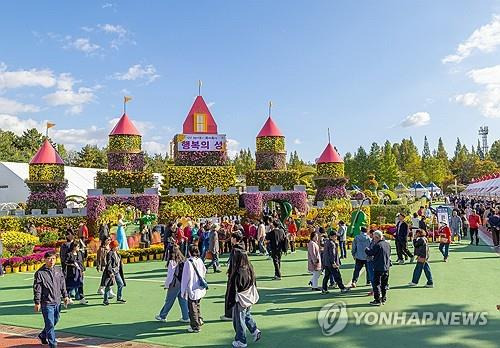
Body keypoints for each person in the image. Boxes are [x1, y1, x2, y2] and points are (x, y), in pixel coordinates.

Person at [33, 251, 71, 347]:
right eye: (49, 259)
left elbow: (62, 284)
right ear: (45, 259)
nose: (51, 261)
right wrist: (37, 302)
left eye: (53, 258)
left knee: (55, 320)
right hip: (46, 302)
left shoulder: (58, 270)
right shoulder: (40, 273)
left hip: (57, 301)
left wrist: (65, 296)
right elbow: (37, 289)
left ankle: (42, 335)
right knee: (49, 323)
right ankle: (53, 344)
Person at [226, 246, 262, 347]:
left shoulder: (238, 272)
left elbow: (233, 289)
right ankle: (255, 331)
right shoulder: (249, 267)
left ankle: (241, 341)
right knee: (247, 315)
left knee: (239, 320)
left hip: (240, 299)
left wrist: (230, 302)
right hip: (249, 296)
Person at [155, 245, 190, 323]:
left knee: (169, 300)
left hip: (175, 283)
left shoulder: (172, 261)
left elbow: (170, 276)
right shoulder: (183, 260)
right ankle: (186, 317)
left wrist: (166, 285)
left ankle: (162, 316)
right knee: (183, 300)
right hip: (183, 282)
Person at [181, 245, 207, 333]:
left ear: (189, 252)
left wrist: (183, 290)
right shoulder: (199, 260)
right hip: (199, 287)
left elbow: (185, 278)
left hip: (191, 287)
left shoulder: (188, 262)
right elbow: (204, 271)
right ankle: (199, 319)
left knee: (192, 308)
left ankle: (195, 326)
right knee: (197, 304)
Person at [365, 230, 391, 306]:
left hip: (378, 267)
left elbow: (371, 253)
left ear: (377, 237)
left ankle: (377, 299)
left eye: (374, 238)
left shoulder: (377, 245)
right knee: (384, 284)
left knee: (377, 284)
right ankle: (383, 298)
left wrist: (366, 249)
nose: (374, 240)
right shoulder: (387, 244)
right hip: (386, 266)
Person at [102, 240, 126, 305]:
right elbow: (109, 264)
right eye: (117, 246)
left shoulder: (117, 253)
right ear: (113, 247)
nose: (118, 247)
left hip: (117, 272)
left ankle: (119, 298)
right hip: (111, 272)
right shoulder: (110, 253)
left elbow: (118, 262)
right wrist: (110, 272)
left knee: (121, 284)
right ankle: (105, 300)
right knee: (108, 286)